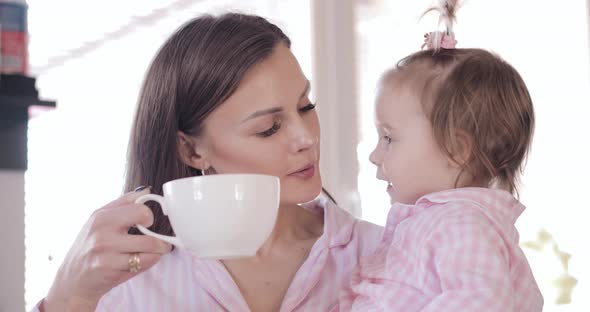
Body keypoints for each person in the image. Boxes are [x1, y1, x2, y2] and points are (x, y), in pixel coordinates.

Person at [37, 13, 383, 312]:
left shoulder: (384, 252)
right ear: (191, 151)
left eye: (306, 106)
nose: (307, 138)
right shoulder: (128, 279)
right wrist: (67, 299)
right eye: (269, 128)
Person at [338, 1, 544, 311]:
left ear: (457, 150)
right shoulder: (436, 224)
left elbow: (481, 303)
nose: (374, 155)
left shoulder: (462, 226)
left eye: (389, 137)